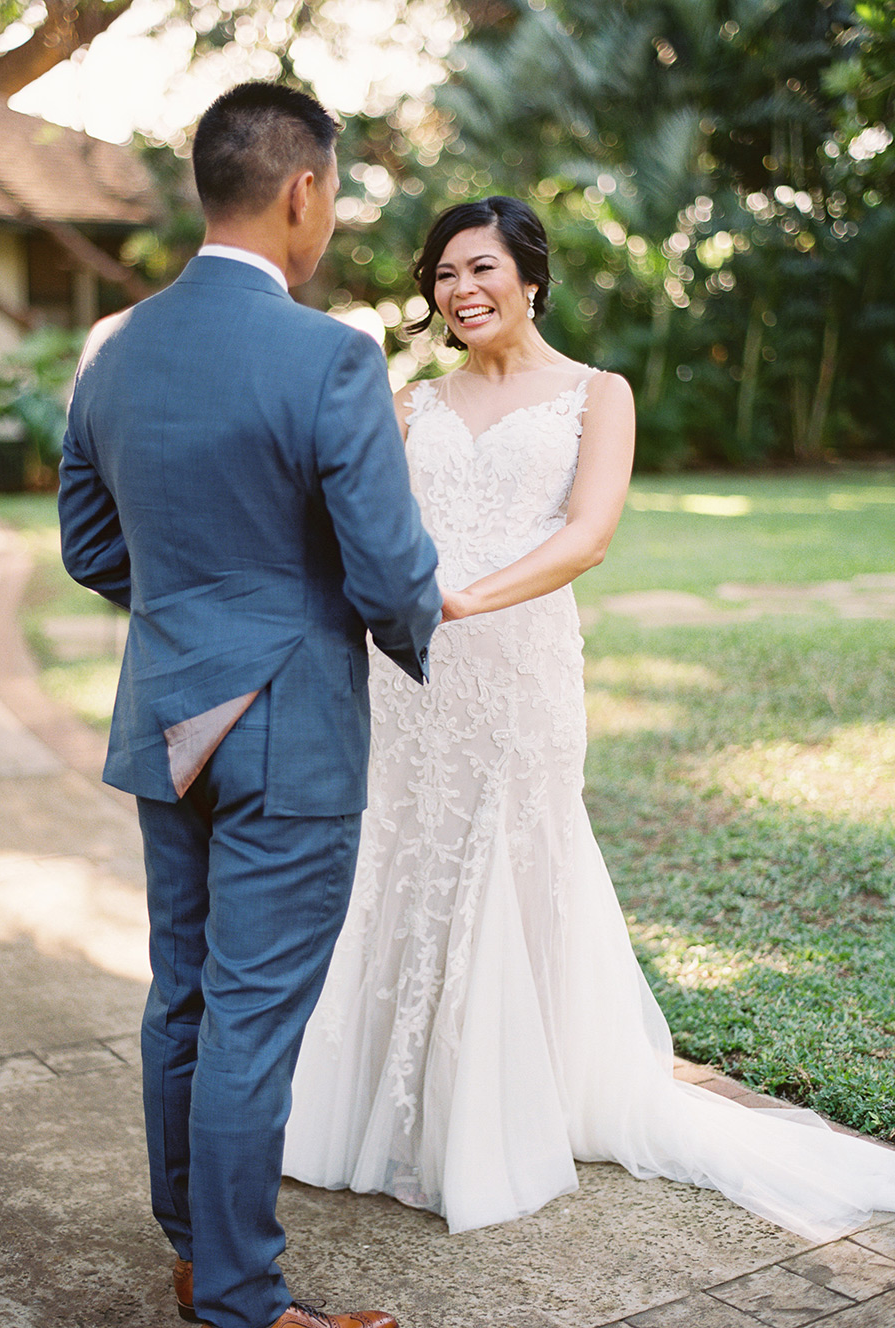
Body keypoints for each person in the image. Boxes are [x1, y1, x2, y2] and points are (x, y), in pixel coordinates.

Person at [283, 195, 895, 1241]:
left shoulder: (595, 393)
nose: (460, 290)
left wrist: (460, 598)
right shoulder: (407, 401)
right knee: (405, 854)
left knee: (507, 862)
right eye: (442, 274)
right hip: (410, 679)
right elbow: (359, 526)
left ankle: (500, 1115)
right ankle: (382, 1112)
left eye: (481, 269)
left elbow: (588, 535)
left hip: (516, 668)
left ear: (530, 279)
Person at [57, 83, 442, 1328]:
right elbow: (391, 575)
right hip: (289, 721)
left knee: (185, 992)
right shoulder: (330, 356)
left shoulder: (114, 348)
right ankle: (238, 1298)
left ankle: (192, 1244)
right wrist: (397, 620)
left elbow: (87, 544)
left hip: (167, 709)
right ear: (303, 191)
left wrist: (189, 611)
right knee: (252, 1020)